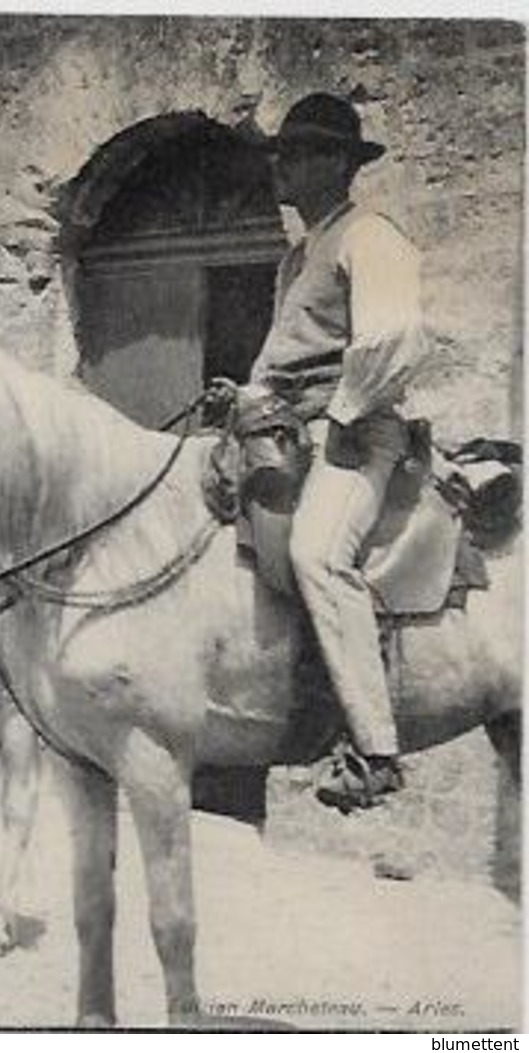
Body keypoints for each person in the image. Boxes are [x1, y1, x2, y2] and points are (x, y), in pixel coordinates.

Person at [251, 93, 430, 810]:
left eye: (294, 155)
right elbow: (280, 358)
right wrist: (246, 397)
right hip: (289, 425)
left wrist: (339, 414)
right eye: (281, 155)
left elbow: (395, 341)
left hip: (356, 431)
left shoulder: (369, 236)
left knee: (316, 554)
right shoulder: (297, 255)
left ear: (333, 163)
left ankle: (373, 746)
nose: (281, 169)